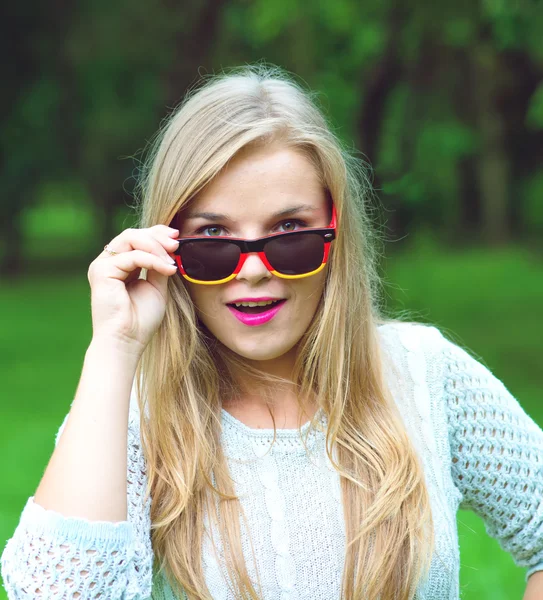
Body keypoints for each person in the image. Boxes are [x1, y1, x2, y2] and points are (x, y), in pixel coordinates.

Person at [1, 64, 542, 600]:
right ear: (167, 249)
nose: (253, 269)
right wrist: (113, 349)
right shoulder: (137, 418)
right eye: (212, 236)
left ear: (334, 233)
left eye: (288, 231)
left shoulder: (426, 375)